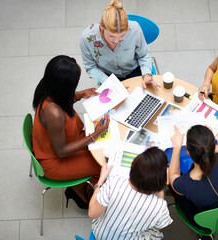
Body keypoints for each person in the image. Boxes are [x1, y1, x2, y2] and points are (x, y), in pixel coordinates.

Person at [32, 55, 110, 209]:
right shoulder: (53, 113)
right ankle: (83, 194)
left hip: (65, 141)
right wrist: (95, 135)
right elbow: (61, 151)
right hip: (56, 160)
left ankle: (82, 185)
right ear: (64, 85)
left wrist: (78, 95)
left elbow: (61, 100)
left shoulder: (47, 88)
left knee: (102, 149)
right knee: (105, 164)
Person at [168, 125, 218, 230]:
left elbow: (172, 176)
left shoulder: (184, 184)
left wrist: (176, 146)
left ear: (188, 152)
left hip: (206, 222)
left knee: (174, 190)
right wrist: (207, 140)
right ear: (213, 146)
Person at [89, 147, 173, 239]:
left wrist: (100, 181)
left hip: (101, 235)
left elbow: (92, 214)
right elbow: (158, 227)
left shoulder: (115, 183)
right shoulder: (159, 206)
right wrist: (159, 188)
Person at [80, 0, 160, 89]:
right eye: (111, 36)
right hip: (108, 76)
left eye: (122, 35)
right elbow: (90, 67)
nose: (116, 40)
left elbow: (143, 55)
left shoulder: (134, 29)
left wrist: (147, 74)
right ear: (102, 26)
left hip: (134, 71)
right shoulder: (87, 38)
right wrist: (110, 82)